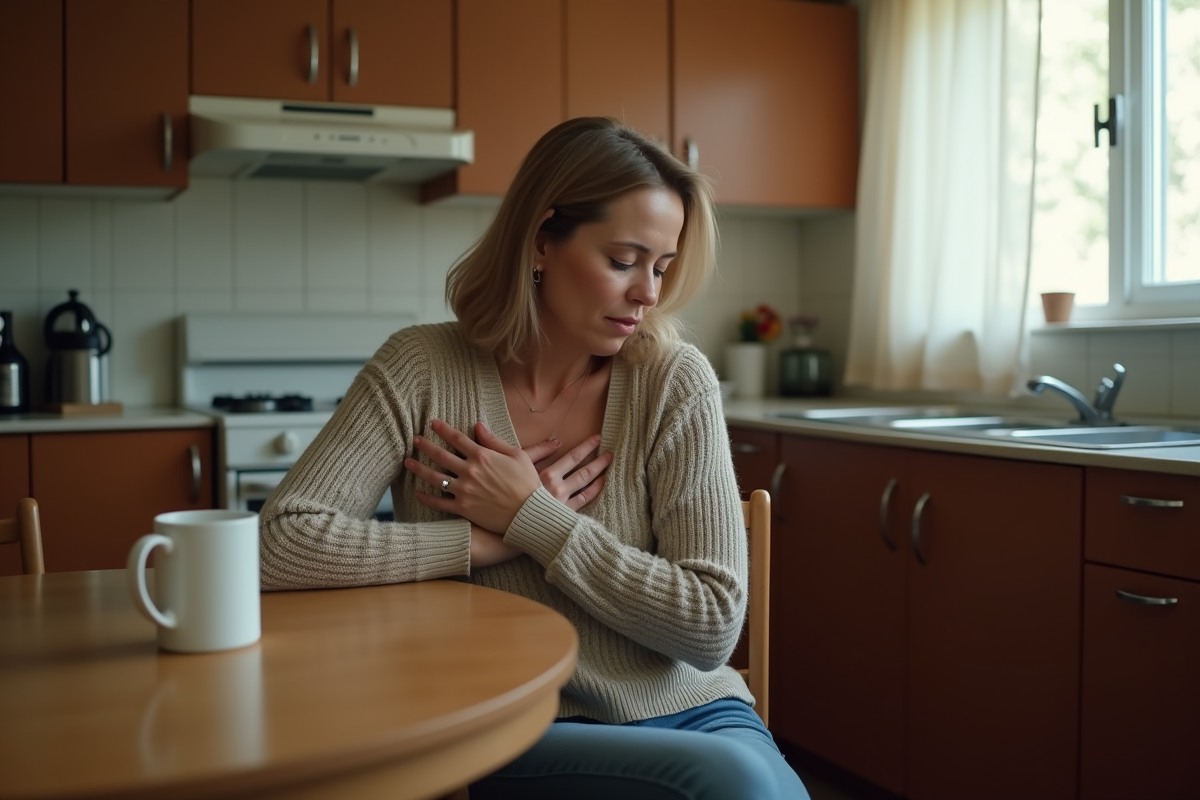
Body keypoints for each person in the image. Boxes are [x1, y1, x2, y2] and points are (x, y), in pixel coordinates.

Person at [259, 116, 810, 800]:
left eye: (661, 267)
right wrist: (475, 542)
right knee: (734, 783)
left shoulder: (673, 380)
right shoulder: (420, 367)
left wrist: (532, 517)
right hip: (516, 719)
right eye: (624, 260)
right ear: (542, 240)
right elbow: (278, 546)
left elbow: (712, 625)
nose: (648, 293)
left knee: (754, 782)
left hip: (698, 710)